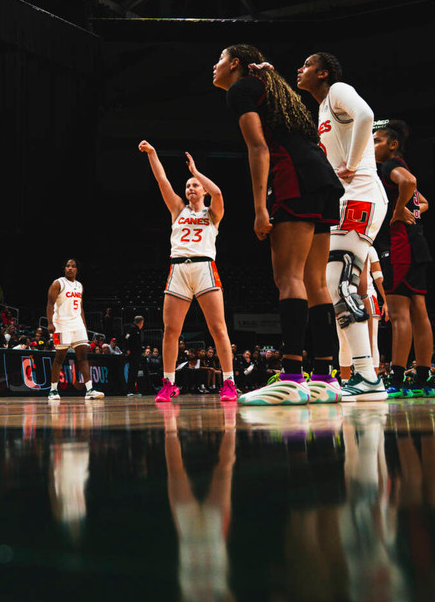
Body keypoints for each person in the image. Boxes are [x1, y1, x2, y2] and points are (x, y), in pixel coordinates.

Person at [212, 45, 341, 405]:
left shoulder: (242, 90)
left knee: (290, 279)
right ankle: (324, 379)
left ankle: (291, 378)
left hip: (293, 179)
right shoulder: (269, 87)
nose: (215, 66)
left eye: (220, 59)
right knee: (316, 282)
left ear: (236, 63)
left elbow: (259, 148)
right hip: (323, 180)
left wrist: (259, 209)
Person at [295, 52, 387, 401]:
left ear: (324, 72)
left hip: (362, 195)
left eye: (306, 66)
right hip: (346, 200)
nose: (300, 70)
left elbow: (367, 115)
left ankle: (368, 376)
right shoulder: (320, 110)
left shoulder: (338, 91)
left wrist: (349, 162)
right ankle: (364, 374)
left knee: (339, 281)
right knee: (334, 282)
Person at [138, 142, 237, 402]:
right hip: (178, 269)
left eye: (194, 185)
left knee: (218, 328)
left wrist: (196, 171)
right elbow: (161, 180)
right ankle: (168, 383)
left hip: (205, 267)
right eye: (187, 185)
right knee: (170, 330)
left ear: (202, 189)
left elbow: (218, 192)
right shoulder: (177, 210)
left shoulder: (213, 213)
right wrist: (153, 154)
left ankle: (229, 382)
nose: (190, 188)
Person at [373, 120, 435, 398]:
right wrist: (412, 211)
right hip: (417, 243)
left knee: (400, 315)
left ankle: (397, 379)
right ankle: (424, 378)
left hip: (399, 245)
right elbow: (423, 202)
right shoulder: (402, 164)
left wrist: (399, 212)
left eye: (377, 140)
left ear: (393, 144)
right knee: (419, 313)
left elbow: (410, 184)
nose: (373, 145)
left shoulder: (390, 167)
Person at [45, 259, 102, 400]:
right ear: (64, 269)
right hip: (61, 325)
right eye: (67, 266)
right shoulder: (58, 283)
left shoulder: (79, 286)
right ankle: (53, 390)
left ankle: (89, 390)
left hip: (77, 324)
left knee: (83, 357)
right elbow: (50, 304)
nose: (70, 268)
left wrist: (84, 325)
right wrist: (50, 323)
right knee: (59, 358)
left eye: (73, 266)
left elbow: (81, 307)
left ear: (77, 270)